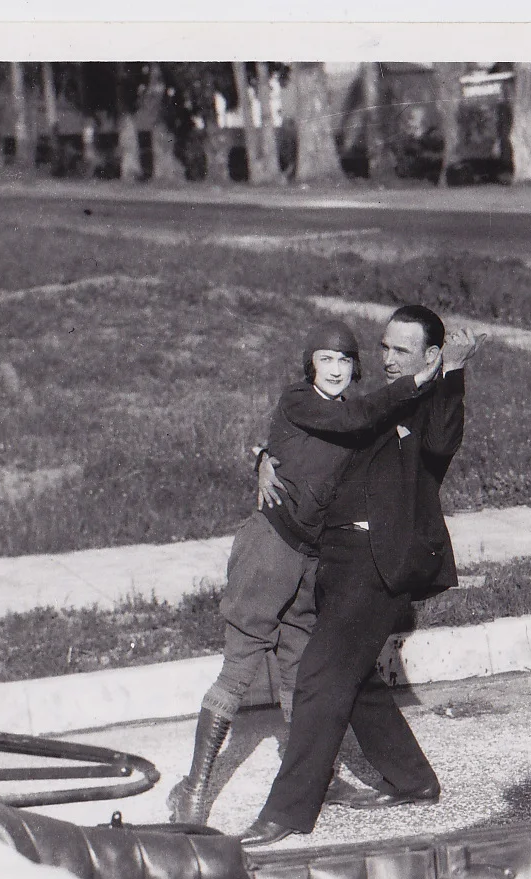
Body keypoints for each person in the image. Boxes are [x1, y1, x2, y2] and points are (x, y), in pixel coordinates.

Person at [167, 320, 443, 825]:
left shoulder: (357, 416)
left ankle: (321, 778)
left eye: (343, 362)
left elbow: (364, 425)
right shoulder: (300, 399)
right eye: (325, 360)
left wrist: (262, 456)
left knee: (301, 669)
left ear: (354, 368)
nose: (334, 370)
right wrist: (416, 380)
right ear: (309, 366)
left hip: (312, 558)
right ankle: (193, 791)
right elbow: (350, 418)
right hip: (270, 545)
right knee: (241, 664)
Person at [238, 307, 481, 846]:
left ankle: (287, 812)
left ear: (430, 356)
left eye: (402, 350)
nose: (388, 359)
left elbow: (442, 443)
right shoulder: (366, 401)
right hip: (335, 554)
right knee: (354, 678)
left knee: (320, 677)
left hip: (379, 558)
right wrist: (263, 457)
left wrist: (452, 376)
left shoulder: (430, 401)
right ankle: (414, 781)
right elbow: (319, 432)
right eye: (385, 348)